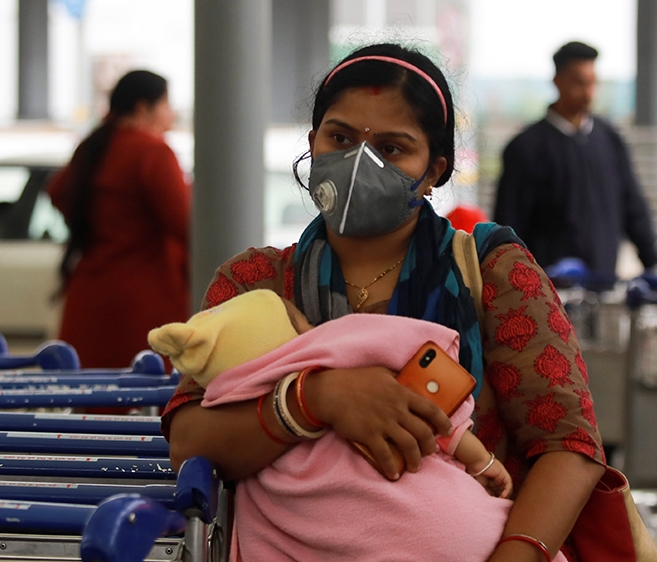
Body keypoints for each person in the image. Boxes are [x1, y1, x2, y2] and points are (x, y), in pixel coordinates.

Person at [163, 43, 605, 562]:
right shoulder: (257, 282)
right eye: (340, 138)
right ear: (312, 141)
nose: (358, 162)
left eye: (392, 148)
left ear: (435, 170)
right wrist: (314, 399)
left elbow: (568, 445)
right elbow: (190, 441)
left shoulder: (493, 272)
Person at [149, 288, 524, 561]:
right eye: (304, 323)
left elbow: (570, 446)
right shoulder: (338, 344)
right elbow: (436, 419)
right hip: (460, 529)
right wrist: (312, 399)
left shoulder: (233, 405)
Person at [47, 70, 191, 375]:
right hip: (143, 302)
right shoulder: (152, 153)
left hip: (89, 297)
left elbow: (58, 191)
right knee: (143, 407)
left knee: (91, 405)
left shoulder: (92, 147)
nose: (171, 115)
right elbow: (185, 223)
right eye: (166, 105)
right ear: (143, 109)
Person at [493, 41, 657, 285]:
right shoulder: (526, 148)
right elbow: (510, 224)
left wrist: (654, 265)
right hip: (548, 295)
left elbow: (633, 207)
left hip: (604, 285)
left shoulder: (610, 140)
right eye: (578, 82)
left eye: (593, 83)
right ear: (557, 81)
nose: (587, 92)